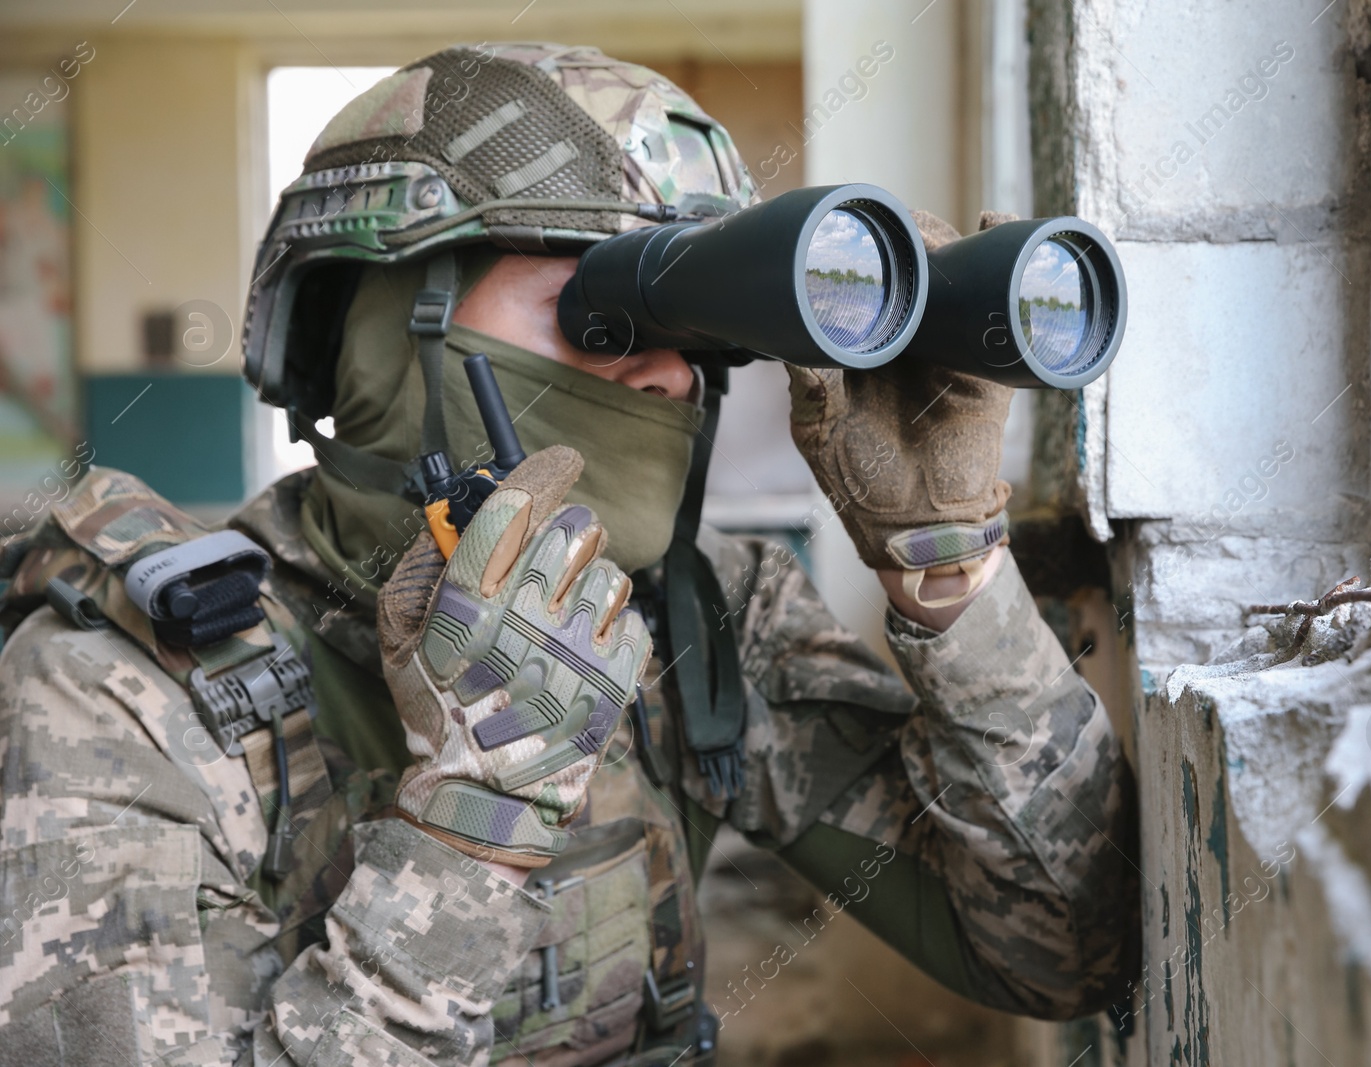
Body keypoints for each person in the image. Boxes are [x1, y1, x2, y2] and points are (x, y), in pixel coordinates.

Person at [0, 42, 1137, 1065]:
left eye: (688, 335)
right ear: (384, 340)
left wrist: (950, 577)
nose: (663, 375)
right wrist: (467, 831)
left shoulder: (693, 614)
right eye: (596, 312)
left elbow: (1063, 951)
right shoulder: (123, 693)